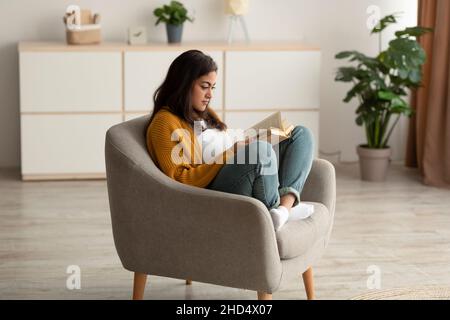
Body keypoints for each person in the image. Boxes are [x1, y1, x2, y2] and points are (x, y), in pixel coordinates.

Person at [146, 50, 314, 231]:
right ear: (184, 84)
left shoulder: (203, 113)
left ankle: (283, 210)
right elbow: (180, 179)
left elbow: (223, 144)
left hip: (234, 164)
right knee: (261, 151)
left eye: (213, 87)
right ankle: (279, 211)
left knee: (300, 134)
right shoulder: (165, 122)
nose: (210, 94)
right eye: (204, 86)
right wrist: (235, 152)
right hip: (212, 189)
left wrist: (249, 142)